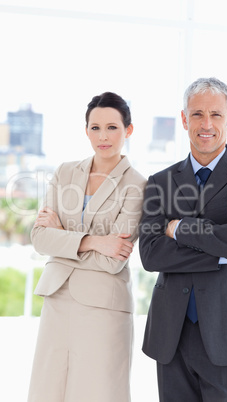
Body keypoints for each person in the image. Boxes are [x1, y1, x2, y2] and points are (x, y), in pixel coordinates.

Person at [139, 77, 227, 401]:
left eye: (216, 115)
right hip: (173, 334)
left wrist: (180, 229)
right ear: (184, 119)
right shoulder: (160, 181)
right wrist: (222, 252)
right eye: (197, 114)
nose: (206, 124)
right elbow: (152, 254)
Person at [27, 92, 146, 402]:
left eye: (112, 127)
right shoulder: (65, 172)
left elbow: (113, 261)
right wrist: (95, 241)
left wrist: (63, 237)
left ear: (128, 131)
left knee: (98, 392)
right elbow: (39, 237)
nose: (102, 136)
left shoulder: (137, 184)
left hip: (103, 307)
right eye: (95, 128)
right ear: (86, 130)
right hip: (57, 299)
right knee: (48, 392)